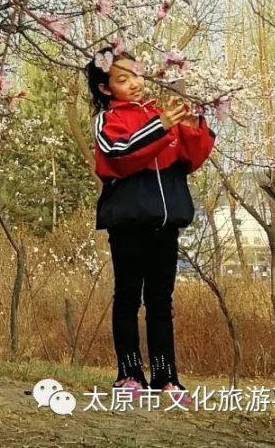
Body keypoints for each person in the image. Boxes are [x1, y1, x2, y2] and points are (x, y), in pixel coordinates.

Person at [86, 47, 216, 407]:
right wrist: (161, 127)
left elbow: (192, 159)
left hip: (167, 221)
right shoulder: (108, 119)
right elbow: (119, 153)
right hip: (128, 221)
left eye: (137, 75)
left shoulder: (162, 112)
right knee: (128, 297)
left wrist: (191, 125)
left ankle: (166, 378)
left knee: (161, 301)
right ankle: (128, 374)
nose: (135, 84)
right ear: (107, 89)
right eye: (122, 79)